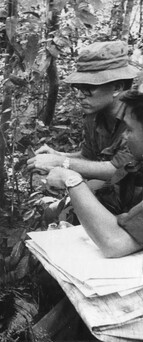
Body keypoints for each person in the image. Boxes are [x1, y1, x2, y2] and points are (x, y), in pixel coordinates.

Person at [44, 71, 143, 258]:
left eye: (129, 130)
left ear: (117, 87)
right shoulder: (95, 118)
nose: (124, 136)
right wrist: (59, 156)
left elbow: (115, 243)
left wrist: (69, 177)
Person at [27, 41, 140, 184]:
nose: (80, 95)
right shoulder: (94, 115)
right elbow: (89, 157)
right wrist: (59, 155)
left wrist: (62, 161)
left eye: (87, 88)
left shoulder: (137, 117)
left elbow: (119, 169)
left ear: (117, 87)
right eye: (78, 88)